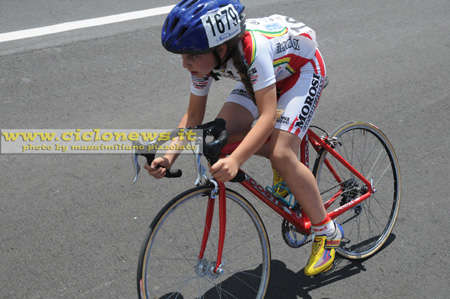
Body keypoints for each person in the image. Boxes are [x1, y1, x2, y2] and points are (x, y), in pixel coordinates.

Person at [145, 0, 344, 277]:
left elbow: (267, 117)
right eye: (182, 56)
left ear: (221, 49)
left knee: (281, 152)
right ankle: (283, 170)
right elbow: (193, 117)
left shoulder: (252, 49)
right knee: (220, 137)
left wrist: (237, 160)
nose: (185, 64)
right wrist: (168, 157)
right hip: (263, 73)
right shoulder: (210, 58)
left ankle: (327, 231)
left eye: (190, 56)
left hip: (302, 71)